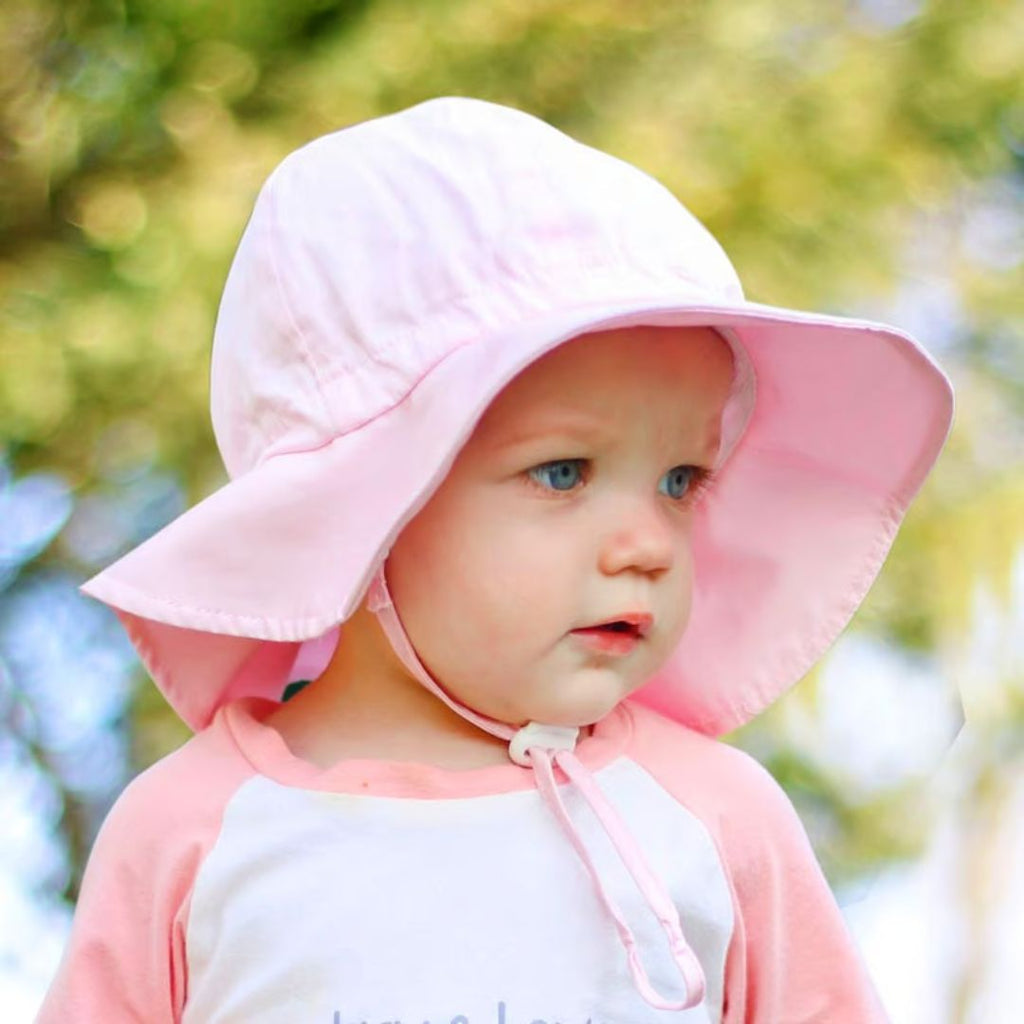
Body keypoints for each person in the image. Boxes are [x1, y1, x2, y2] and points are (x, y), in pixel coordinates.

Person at [37, 96, 953, 1023]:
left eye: (680, 482)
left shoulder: (714, 819)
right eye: (563, 472)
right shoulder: (192, 832)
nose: (648, 545)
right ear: (363, 508)